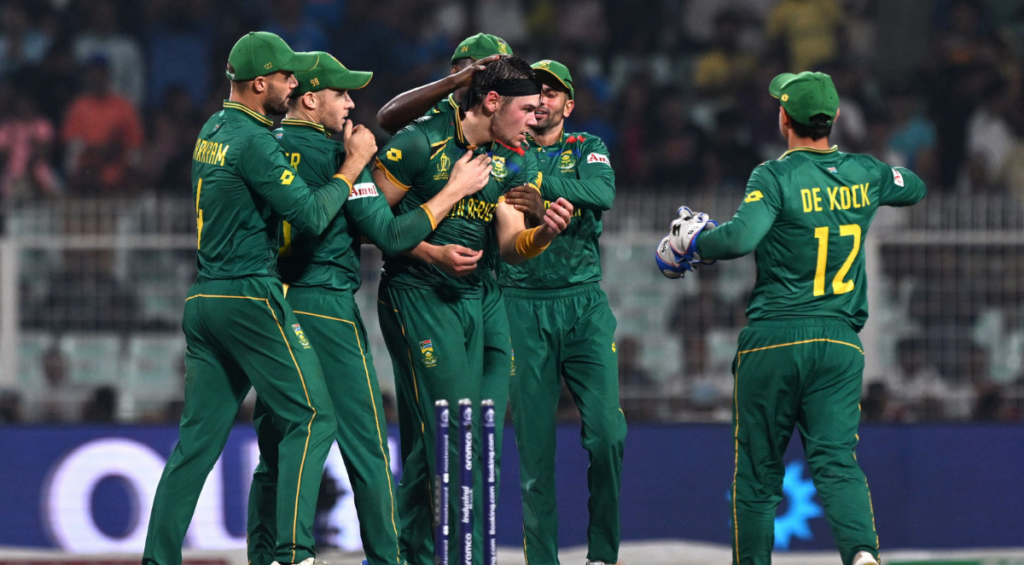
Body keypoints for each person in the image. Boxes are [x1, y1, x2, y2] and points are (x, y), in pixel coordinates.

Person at [659, 71, 926, 565]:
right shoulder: (863, 171)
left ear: (784, 117)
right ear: (836, 118)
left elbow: (738, 240)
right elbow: (912, 186)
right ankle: (863, 555)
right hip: (840, 344)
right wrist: (871, 177)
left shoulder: (774, 176)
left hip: (774, 341)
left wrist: (693, 240)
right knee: (836, 463)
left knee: (759, 477)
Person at [246, 51, 492, 565]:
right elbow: (391, 233)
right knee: (368, 446)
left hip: (272, 305)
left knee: (277, 444)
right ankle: (387, 557)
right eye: (342, 94)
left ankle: (265, 554)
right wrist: (453, 191)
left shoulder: (262, 148)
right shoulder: (341, 158)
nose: (352, 104)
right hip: (327, 306)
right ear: (311, 99)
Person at [142, 32, 371, 565]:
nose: (295, 83)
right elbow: (311, 216)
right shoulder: (254, 140)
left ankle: (158, 560)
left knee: (195, 448)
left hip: (203, 300)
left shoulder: (212, 129)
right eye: (288, 76)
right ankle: (292, 554)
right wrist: (353, 163)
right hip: (249, 295)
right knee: (314, 417)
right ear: (259, 82)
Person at [372, 56, 573, 565]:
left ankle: (471, 554)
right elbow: (374, 223)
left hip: (482, 301)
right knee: (448, 434)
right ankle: (408, 554)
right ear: (491, 101)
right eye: (528, 109)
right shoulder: (421, 141)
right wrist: (434, 246)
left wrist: (544, 233)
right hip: (420, 296)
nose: (537, 118)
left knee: (481, 438)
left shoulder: (509, 156)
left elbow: (508, 243)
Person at [498, 60, 625, 565]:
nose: (543, 100)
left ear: (568, 105)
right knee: (535, 453)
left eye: (552, 93)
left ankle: (602, 556)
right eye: (534, 92)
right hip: (521, 305)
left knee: (608, 435)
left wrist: (547, 191)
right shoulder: (506, 154)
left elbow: (604, 194)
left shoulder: (588, 148)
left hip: (583, 305)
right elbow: (505, 209)